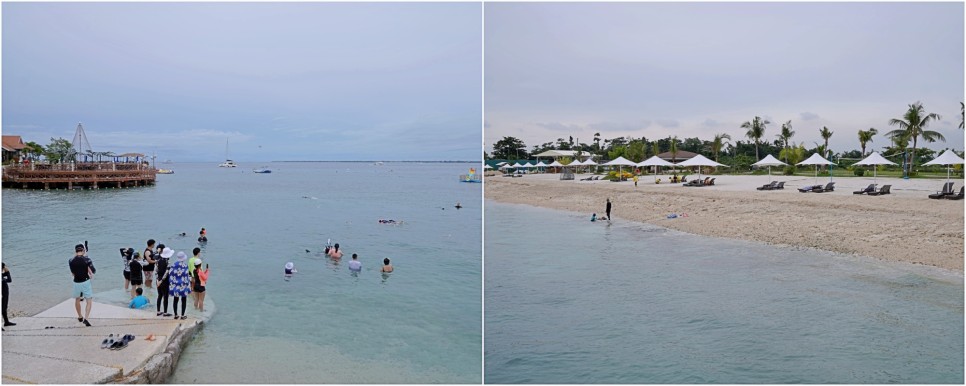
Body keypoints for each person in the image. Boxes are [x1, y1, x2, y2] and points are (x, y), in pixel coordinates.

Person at [68, 243, 95, 327]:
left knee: (77, 300)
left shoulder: (70, 260)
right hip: (85, 282)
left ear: (75, 251)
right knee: (89, 301)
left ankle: (80, 316)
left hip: (76, 282)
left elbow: (73, 273)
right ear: (83, 250)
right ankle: (86, 319)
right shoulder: (87, 259)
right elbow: (93, 270)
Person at [168, 251, 192, 320]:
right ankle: (182, 315)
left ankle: (175, 314)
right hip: (183, 285)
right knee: (184, 299)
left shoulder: (173, 265)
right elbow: (187, 276)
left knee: (175, 299)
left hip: (175, 285)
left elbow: (171, 275)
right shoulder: (185, 266)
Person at [155, 247, 173, 317]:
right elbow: (167, 272)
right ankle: (165, 312)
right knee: (165, 296)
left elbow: (156, 271)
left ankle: (158, 311)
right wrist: (162, 280)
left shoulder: (158, 261)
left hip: (158, 280)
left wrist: (157, 280)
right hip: (165, 281)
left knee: (159, 295)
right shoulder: (168, 262)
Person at [3, 263, 14, 327]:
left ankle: (6, 322)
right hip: (3, 295)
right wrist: (7, 272)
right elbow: (9, 280)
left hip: (4, 294)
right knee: (2, 308)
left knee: (4, 308)